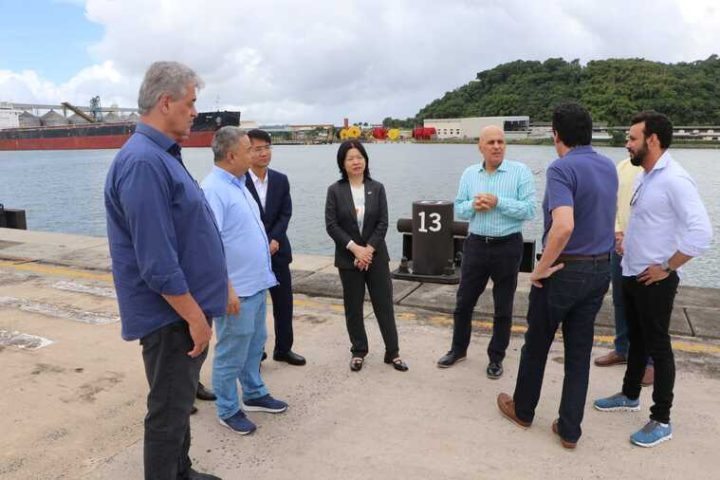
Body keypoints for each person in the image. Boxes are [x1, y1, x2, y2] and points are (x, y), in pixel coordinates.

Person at [104, 61, 225, 480]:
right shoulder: (143, 163)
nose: (195, 112)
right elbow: (156, 262)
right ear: (166, 101)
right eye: (191, 103)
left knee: (178, 403)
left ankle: (181, 469)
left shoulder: (162, 156)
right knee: (167, 411)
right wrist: (194, 317)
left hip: (183, 310)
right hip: (170, 315)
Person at [497, 102, 617, 449]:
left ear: (556, 134)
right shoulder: (608, 166)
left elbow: (563, 226)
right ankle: (569, 430)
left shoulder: (562, 169)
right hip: (600, 268)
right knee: (578, 354)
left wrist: (540, 268)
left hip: (565, 269)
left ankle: (522, 409)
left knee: (536, 344)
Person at [594, 111, 712, 447]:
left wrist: (668, 266)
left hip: (655, 280)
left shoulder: (675, 179)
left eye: (632, 138)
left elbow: (702, 233)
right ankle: (630, 395)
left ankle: (661, 419)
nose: (627, 144)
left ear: (653, 140)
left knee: (659, 349)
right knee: (636, 341)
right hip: (633, 271)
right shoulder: (646, 175)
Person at [201, 126, 288, 436]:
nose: (255, 155)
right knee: (231, 351)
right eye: (249, 150)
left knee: (254, 345)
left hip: (256, 282)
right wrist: (225, 288)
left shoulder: (238, 184)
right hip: (236, 289)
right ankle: (228, 408)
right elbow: (209, 246)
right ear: (231, 155)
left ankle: (253, 393)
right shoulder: (213, 189)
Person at [436, 125, 535, 379]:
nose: (497, 146)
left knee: (503, 306)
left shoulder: (520, 172)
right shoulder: (470, 174)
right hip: (477, 245)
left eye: (500, 141)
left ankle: (496, 357)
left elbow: (529, 210)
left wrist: (498, 202)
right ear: (480, 146)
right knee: (464, 302)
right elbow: (459, 208)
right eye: (490, 142)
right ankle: (458, 349)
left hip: (508, 245)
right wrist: (474, 205)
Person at [325, 140, 408, 372]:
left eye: (359, 157)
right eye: (350, 158)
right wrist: (355, 248)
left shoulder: (377, 187)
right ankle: (358, 350)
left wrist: (368, 250)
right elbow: (331, 225)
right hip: (348, 257)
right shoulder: (335, 190)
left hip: (376, 257)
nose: (356, 161)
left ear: (366, 160)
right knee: (353, 306)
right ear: (342, 163)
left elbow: (383, 223)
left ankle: (393, 352)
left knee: (384, 305)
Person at [244, 128, 306, 366]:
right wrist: (261, 243)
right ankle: (256, 352)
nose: (263, 153)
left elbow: (285, 213)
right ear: (246, 152)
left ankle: (284, 348)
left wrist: (275, 239)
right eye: (257, 149)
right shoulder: (240, 181)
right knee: (254, 308)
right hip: (252, 255)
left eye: (267, 148)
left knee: (284, 303)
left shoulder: (280, 179)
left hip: (278, 251)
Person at [594, 158, 655, 387]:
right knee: (620, 300)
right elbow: (612, 204)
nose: (628, 143)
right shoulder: (620, 167)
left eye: (633, 138)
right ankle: (622, 349)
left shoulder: (657, 172)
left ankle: (650, 362)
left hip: (646, 251)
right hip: (619, 246)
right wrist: (617, 233)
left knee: (646, 307)